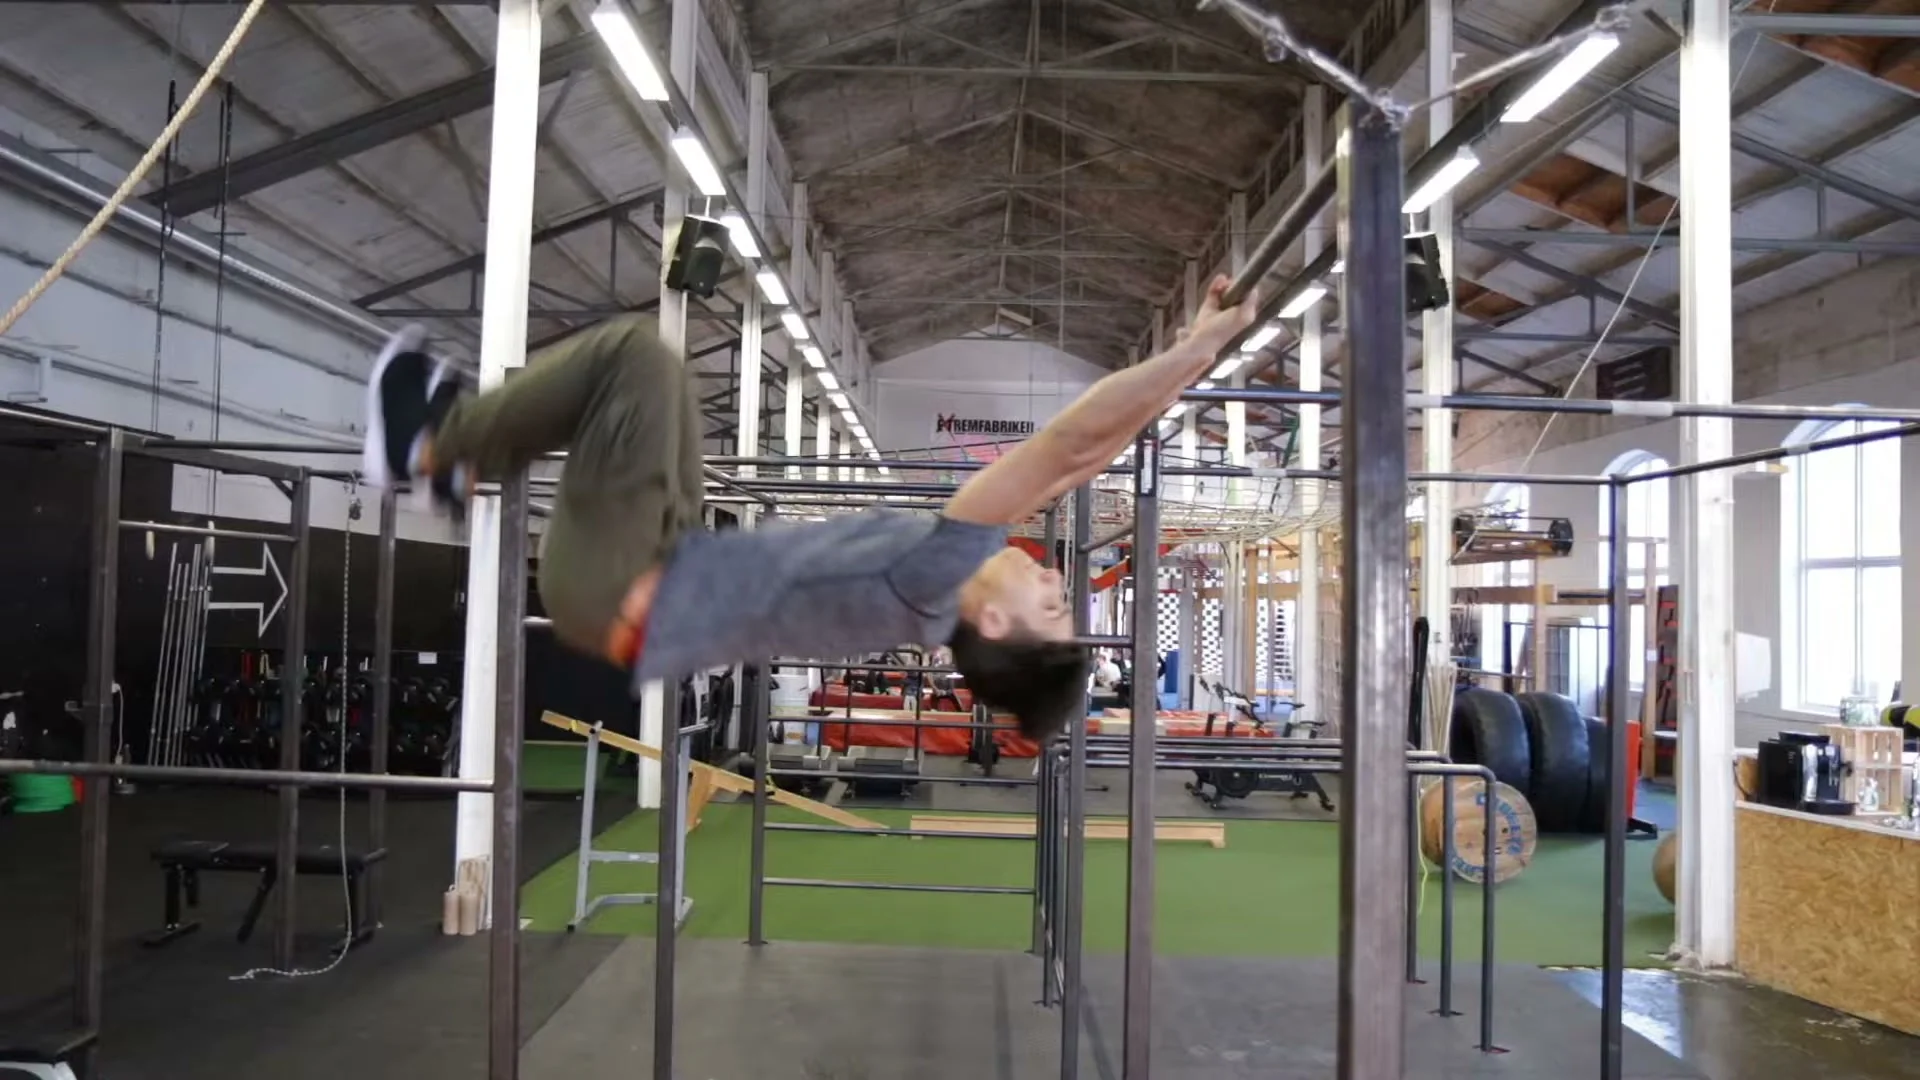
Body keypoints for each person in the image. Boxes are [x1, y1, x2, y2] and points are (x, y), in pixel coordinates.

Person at [361, 275, 1257, 740]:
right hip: (669, 558)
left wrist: (1193, 354)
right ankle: (458, 467)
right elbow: (1085, 459)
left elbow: (1064, 446)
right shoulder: (942, 588)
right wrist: (1189, 358)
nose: (1058, 584)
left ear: (993, 619)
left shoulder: (940, 571)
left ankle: (429, 447)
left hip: (619, 584)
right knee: (661, 386)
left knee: (637, 356)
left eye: (1052, 609)